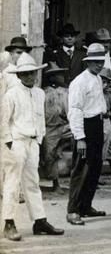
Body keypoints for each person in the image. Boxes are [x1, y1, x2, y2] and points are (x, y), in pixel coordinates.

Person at [1, 53, 64, 241]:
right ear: (19, 76)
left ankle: (39, 220)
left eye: (32, 73)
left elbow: (40, 119)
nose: (29, 77)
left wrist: (39, 140)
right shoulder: (11, 94)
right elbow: (3, 121)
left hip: (33, 142)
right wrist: (9, 142)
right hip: (16, 142)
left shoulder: (39, 93)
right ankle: (9, 222)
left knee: (33, 182)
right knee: (12, 183)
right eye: (25, 74)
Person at [66, 42, 109, 226]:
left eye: (101, 61)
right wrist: (80, 137)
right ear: (87, 62)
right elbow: (75, 110)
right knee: (81, 169)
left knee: (94, 168)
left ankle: (85, 206)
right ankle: (73, 210)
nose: (99, 64)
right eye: (95, 61)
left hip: (97, 125)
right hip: (85, 127)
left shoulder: (98, 79)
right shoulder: (79, 82)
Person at [41, 64, 71, 194]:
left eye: (61, 74)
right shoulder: (44, 93)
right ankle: (55, 183)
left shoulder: (66, 91)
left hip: (65, 125)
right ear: (51, 77)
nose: (61, 76)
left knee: (80, 141)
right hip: (50, 128)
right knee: (49, 155)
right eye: (58, 74)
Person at [98, 68, 111, 181]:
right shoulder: (95, 94)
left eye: (107, 82)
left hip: (107, 122)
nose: (106, 84)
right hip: (98, 122)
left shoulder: (109, 96)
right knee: (102, 148)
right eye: (103, 81)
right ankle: (96, 175)